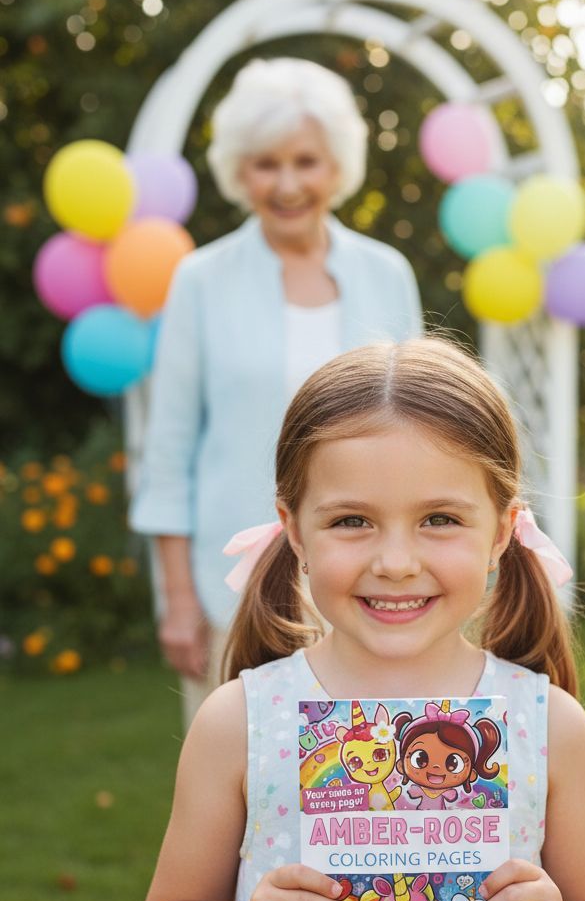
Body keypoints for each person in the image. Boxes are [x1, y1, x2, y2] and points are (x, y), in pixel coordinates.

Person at [142, 338, 585, 901]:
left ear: (501, 531)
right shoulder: (241, 721)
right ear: (295, 528)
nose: (395, 560)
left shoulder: (547, 723)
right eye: (352, 521)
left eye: (439, 518)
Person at [129, 57, 422, 731]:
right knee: (237, 792)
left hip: (370, 582)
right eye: (266, 164)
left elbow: (419, 432)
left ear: (337, 165)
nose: (288, 184)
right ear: (239, 170)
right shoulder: (200, 281)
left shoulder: (387, 274)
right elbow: (169, 452)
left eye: (306, 161)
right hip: (232, 588)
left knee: (365, 787)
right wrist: (177, 602)